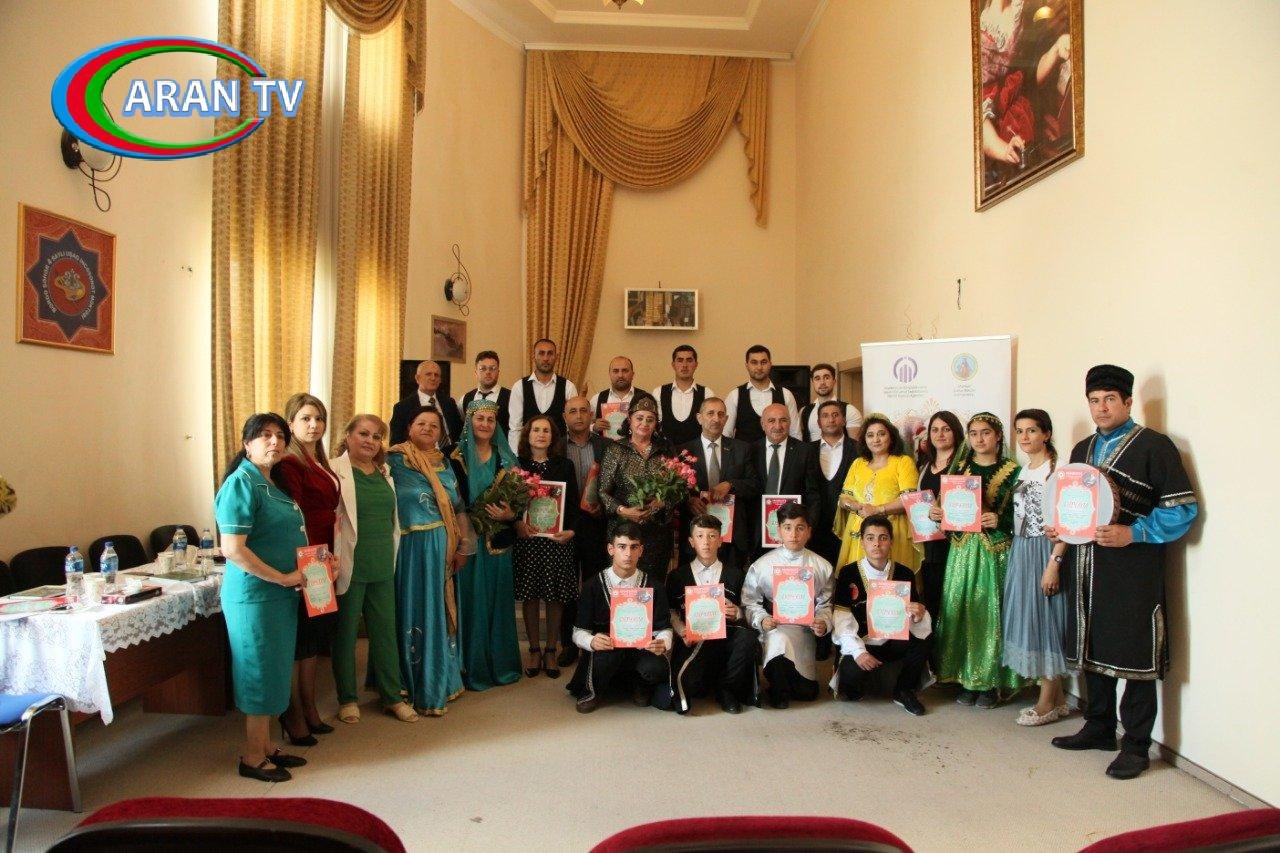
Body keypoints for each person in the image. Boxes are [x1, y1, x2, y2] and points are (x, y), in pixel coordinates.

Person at [1050, 365, 1198, 780]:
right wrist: (1060, 528)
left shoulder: (1155, 446)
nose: (1101, 408)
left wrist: (1134, 532)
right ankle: (1098, 727)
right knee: (1091, 646)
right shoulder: (1081, 449)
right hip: (1085, 568)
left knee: (1133, 656)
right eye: (1094, 400)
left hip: (1132, 570)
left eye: (1110, 400)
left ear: (1128, 402)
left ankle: (1135, 745)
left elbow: (1183, 511)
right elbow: (1072, 504)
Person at [214, 412, 308, 782]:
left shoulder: (271, 483)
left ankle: (267, 745)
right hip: (255, 596)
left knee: (273, 668)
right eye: (265, 435)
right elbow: (233, 549)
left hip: (279, 595)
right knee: (257, 670)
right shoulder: (241, 483)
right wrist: (283, 578)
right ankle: (252, 756)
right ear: (246, 444)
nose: (274, 441)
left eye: (280, 436)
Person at [331, 414, 419, 724]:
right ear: (348, 436)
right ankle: (347, 698)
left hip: (383, 562)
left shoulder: (385, 471)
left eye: (377, 436)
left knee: (385, 633)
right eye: (364, 434)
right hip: (350, 563)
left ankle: (392, 696)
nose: (370, 441)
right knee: (346, 635)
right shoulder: (334, 470)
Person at [933, 413, 1024, 708]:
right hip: (962, 550)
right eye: (973, 433)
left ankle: (990, 682)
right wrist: (937, 514)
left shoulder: (1013, 471)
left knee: (988, 612)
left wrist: (1000, 519)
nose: (979, 439)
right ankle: (964, 677)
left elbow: (1024, 514)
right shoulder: (960, 467)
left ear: (998, 436)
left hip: (993, 552)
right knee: (961, 608)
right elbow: (945, 508)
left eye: (985, 433)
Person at [388, 406, 473, 716]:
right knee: (412, 608)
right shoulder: (393, 460)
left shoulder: (446, 465)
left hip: (443, 548)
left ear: (441, 433)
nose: (427, 429)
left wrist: (463, 547)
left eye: (434, 426)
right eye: (421, 423)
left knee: (438, 611)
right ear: (409, 427)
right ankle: (405, 683)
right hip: (410, 548)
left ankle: (438, 681)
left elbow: (458, 508)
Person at [272, 393, 339, 746]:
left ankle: (310, 707)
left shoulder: (319, 460)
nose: (314, 425)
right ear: (291, 424)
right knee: (299, 638)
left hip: (323, 555)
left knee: (313, 636)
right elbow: (293, 513)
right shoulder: (290, 462)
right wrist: (310, 559)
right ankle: (293, 712)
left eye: (319, 419)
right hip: (305, 556)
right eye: (306, 419)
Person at [1001, 409, 1071, 726]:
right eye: (1020, 431)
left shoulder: (1058, 471)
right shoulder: (1024, 470)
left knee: (1047, 620)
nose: (1025, 437)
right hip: (1023, 549)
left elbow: (1067, 522)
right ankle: (1058, 699)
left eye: (1031, 430)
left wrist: (1054, 563)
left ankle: (1046, 703)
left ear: (1046, 434)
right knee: (1030, 615)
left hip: (1046, 551)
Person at [452, 399, 523, 690]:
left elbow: (520, 502)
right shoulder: (454, 458)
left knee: (497, 601)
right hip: (467, 541)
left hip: (497, 543)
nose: (485, 424)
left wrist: (510, 514)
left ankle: (500, 666)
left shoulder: (506, 459)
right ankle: (471, 668)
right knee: (470, 601)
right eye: (479, 418)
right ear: (469, 421)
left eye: (490, 420)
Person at [567, 521, 673, 713]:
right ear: (611, 549)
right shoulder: (592, 586)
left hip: (640, 649)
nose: (628, 554)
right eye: (622, 547)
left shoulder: (654, 586)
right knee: (605, 657)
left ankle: (640, 685)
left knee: (655, 666)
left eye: (634, 547)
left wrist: (663, 642)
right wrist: (591, 641)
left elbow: (664, 628)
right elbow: (578, 631)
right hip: (607, 650)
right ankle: (594, 691)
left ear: (641, 550)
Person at [831, 515, 931, 716]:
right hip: (863, 641)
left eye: (883, 538)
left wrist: (919, 613)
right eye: (870, 538)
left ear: (891, 541)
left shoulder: (904, 573)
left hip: (893, 640)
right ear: (862, 542)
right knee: (851, 681)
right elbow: (842, 620)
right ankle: (857, 685)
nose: (877, 544)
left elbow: (915, 615)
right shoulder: (848, 573)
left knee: (922, 641)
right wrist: (858, 652)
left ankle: (903, 690)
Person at [741, 503, 834, 709]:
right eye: (788, 527)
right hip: (775, 627)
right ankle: (777, 688)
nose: (794, 534)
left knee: (807, 693)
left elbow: (825, 604)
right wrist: (762, 619)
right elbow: (749, 601)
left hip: (804, 631)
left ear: (809, 531)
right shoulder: (762, 565)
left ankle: (789, 683)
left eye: (800, 528)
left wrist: (822, 621)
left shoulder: (822, 567)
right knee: (778, 645)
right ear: (779, 530)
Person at [667, 515, 757, 714]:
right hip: (693, 639)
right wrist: (681, 630)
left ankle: (727, 690)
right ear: (691, 541)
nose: (706, 542)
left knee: (748, 637)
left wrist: (737, 612)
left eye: (712, 536)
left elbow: (748, 607)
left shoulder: (735, 574)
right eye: (700, 536)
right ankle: (706, 682)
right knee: (692, 687)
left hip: (727, 637)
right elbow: (671, 611)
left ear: (720, 541)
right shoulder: (677, 576)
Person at [514, 415, 579, 679]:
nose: (541, 434)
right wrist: (518, 523)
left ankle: (551, 649)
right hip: (528, 540)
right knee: (530, 595)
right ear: (527, 435)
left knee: (555, 596)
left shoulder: (564, 465)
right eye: (536, 430)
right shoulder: (517, 465)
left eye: (546, 431)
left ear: (553, 437)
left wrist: (571, 530)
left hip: (557, 541)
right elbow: (512, 502)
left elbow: (572, 503)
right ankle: (533, 649)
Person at [556, 395, 613, 668]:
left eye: (583, 411)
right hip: (565, 524)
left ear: (592, 415)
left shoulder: (606, 445)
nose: (578, 416)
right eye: (572, 411)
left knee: (594, 584)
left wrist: (605, 505)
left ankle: (594, 640)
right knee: (567, 586)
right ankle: (568, 643)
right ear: (564, 417)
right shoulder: (556, 446)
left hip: (596, 523)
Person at [598, 397, 680, 583]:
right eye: (639, 418)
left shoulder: (665, 451)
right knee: (623, 587)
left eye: (650, 419)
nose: (644, 423)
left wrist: (662, 503)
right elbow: (602, 491)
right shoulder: (615, 449)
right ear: (629, 419)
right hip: (623, 534)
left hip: (657, 535)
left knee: (653, 587)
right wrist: (623, 511)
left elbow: (677, 491)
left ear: (656, 424)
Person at [833, 414, 920, 574]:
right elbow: (844, 498)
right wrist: (856, 506)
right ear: (864, 439)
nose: (876, 439)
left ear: (891, 437)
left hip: (892, 531)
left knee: (891, 578)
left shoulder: (903, 462)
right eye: (870, 435)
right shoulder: (858, 463)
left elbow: (910, 500)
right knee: (859, 579)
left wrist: (877, 510)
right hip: (860, 531)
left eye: (881, 434)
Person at [679, 396, 760, 566]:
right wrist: (688, 500)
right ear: (699, 418)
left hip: (732, 537)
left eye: (721, 414)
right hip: (696, 535)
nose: (716, 419)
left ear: (726, 419)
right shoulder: (683, 451)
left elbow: (754, 485)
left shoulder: (741, 449)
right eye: (710, 413)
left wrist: (731, 484)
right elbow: (675, 490)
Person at [751, 403, 824, 562]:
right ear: (762, 424)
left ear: (790, 423)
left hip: (794, 534)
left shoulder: (805, 451)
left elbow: (813, 495)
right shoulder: (751, 450)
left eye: (783, 420)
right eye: (771, 421)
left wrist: (808, 528)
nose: (778, 426)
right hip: (758, 533)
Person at [915, 411, 964, 621]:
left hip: (954, 543)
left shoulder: (963, 466)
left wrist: (947, 514)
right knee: (931, 597)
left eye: (946, 429)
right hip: (928, 543)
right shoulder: (924, 466)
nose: (940, 434)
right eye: (935, 430)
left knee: (951, 598)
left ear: (956, 433)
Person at [507, 338, 579, 451]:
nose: (546, 358)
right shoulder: (519, 386)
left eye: (550, 353)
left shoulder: (568, 387)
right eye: (541, 353)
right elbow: (515, 428)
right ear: (534, 357)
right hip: (527, 454)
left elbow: (573, 426)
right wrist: (516, 457)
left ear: (556, 357)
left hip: (560, 454)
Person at [811, 400, 860, 567]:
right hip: (815, 526)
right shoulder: (806, 450)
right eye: (825, 416)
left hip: (848, 522)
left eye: (835, 415)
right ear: (819, 422)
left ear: (844, 420)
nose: (831, 420)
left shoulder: (859, 449)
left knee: (846, 572)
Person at [724, 345, 800, 444]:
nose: (759, 367)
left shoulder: (786, 394)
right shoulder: (735, 395)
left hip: (778, 453)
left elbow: (795, 433)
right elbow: (726, 434)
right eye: (754, 362)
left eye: (763, 362)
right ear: (747, 365)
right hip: (745, 454)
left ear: (770, 364)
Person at [390, 360, 463, 447]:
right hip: (418, 454)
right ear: (417, 378)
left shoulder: (449, 403)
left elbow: (460, 432)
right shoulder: (402, 408)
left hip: (451, 453)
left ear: (440, 380)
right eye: (428, 374)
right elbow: (396, 443)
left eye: (436, 375)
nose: (433, 378)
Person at [653, 345, 714, 446]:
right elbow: (654, 427)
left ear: (696, 365)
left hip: (698, 452)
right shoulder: (659, 392)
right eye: (680, 360)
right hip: (666, 451)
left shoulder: (707, 394)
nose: (684, 365)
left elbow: (710, 428)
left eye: (689, 360)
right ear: (673, 365)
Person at [592, 356, 655, 438]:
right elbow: (584, 427)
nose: (620, 375)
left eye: (625, 371)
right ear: (610, 374)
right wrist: (594, 427)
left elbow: (653, 425)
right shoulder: (597, 399)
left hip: (637, 446)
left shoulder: (645, 398)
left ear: (632, 374)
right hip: (605, 445)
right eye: (615, 371)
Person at [798, 363, 863, 442]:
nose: (822, 382)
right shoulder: (804, 411)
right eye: (817, 379)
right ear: (813, 382)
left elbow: (855, 445)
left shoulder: (850, 410)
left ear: (834, 381)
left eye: (826, 377)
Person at [460, 350, 511, 434]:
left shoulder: (511, 397)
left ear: (498, 372)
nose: (488, 372)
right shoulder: (466, 398)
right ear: (476, 372)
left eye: (492, 368)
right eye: (483, 369)